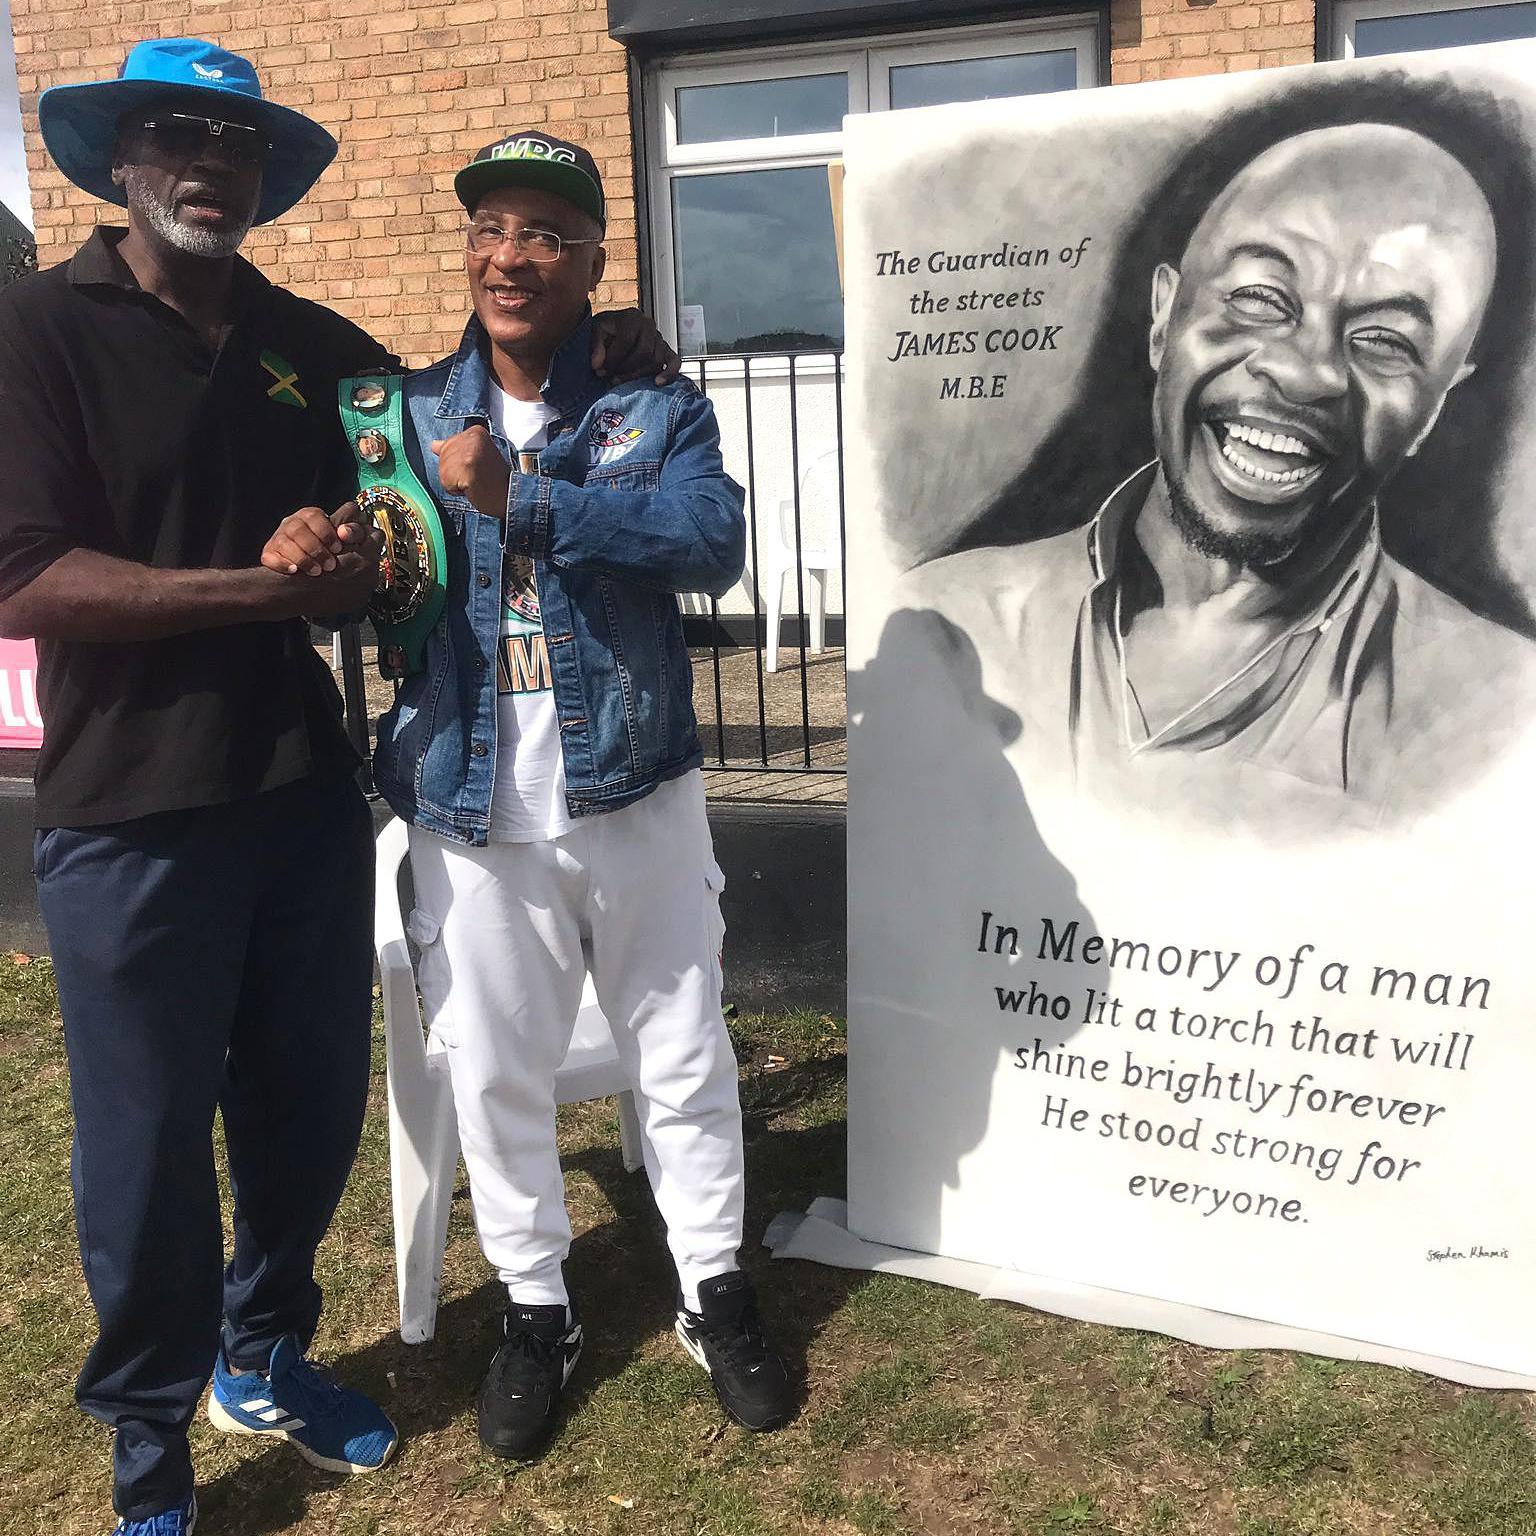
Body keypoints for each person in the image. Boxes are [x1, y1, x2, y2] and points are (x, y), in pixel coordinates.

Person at [0, 40, 678, 1536]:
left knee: (304, 1120)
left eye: (234, 146)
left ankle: (264, 1355)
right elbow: (30, 577)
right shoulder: (38, 327)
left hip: (303, 793)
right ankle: (146, 1451)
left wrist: (603, 344)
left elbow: (411, 479)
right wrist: (264, 585)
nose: (205, 168)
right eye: (175, 137)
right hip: (128, 813)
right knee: (147, 1146)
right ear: (120, 161)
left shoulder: (309, 339)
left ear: (263, 177)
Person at [359, 129, 795, 1459]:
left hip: (636, 792)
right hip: (473, 809)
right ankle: (536, 1305)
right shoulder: (407, 417)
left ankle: (713, 1284)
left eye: (546, 232)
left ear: (594, 262)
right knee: (493, 1069)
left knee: (683, 1049)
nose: (511, 255)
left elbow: (712, 545)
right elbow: (390, 597)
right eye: (492, 226)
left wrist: (530, 501)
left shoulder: (653, 408)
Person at [909, 119, 1536, 829]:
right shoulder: (944, 627)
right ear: (1163, 319)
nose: (1304, 373)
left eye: (1385, 340)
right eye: (1261, 298)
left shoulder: (1497, 725)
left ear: (1432, 409)